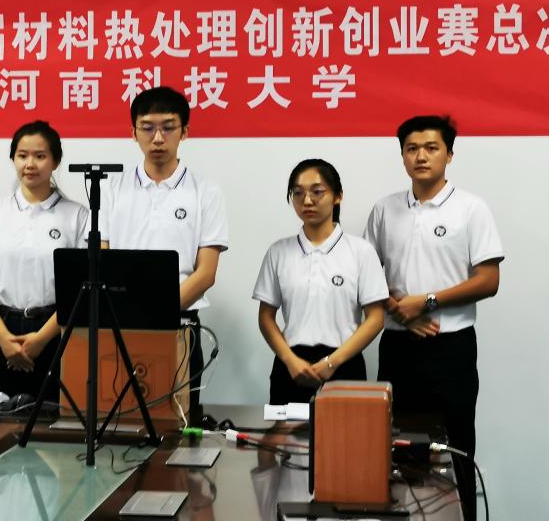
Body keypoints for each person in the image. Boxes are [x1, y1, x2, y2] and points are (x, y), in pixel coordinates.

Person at [364, 115, 503, 521]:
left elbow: (489, 280)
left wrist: (425, 302)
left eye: (431, 148)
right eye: (412, 149)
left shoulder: (471, 208)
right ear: (402, 156)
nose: (421, 156)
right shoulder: (384, 209)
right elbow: (367, 276)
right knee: (394, 450)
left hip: (451, 350)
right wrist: (402, 312)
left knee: (454, 450)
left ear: (449, 154)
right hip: (397, 346)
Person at [102, 86, 229, 411]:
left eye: (168, 127)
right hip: (121, 327)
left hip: (181, 325)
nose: (158, 138)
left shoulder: (205, 192)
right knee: (119, 419)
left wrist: (156, 314)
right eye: (147, 128)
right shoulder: (112, 189)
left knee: (180, 421)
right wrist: (133, 315)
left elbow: (206, 273)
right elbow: (102, 259)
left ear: (184, 131)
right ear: (133, 133)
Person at [0, 120, 89, 397]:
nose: (30, 164)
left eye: (40, 156)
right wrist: (3, 338)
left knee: (55, 417)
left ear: (55, 161)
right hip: (0, 331)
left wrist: (41, 339)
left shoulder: (77, 215)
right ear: (13, 159)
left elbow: (80, 290)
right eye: (22, 155)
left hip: (56, 331)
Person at [253, 159, 387, 405]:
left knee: (346, 430)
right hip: (291, 367)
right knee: (286, 432)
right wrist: (290, 360)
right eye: (298, 193)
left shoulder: (361, 251)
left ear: (338, 196)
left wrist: (332, 362)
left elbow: (376, 318)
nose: (307, 200)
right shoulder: (278, 252)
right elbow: (266, 317)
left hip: (344, 365)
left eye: (317, 191)